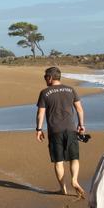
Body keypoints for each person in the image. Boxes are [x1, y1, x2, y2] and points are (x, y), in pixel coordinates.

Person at [35, 66, 87, 197]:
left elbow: (40, 114)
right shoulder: (71, 90)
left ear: (51, 77)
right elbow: (80, 109)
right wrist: (81, 125)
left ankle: (62, 188)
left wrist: (39, 129)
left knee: (58, 161)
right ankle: (74, 180)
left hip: (55, 131)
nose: (45, 79)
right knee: (74, 158)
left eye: (46, 77)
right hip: (71, 129)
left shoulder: (45, 92)